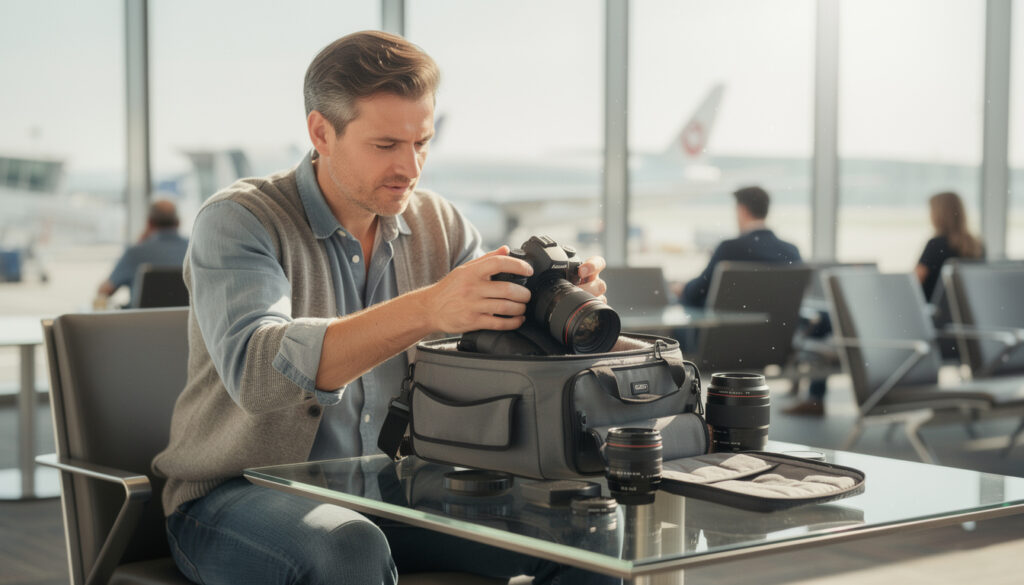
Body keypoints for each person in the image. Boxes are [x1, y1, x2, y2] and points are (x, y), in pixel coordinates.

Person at [152, 31, 612, 585]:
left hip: (396, 488)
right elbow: (257, 372)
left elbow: (487, 355)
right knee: (346, 546)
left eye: (422, 143)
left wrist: (549, 313)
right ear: (321, 132)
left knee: (585, 530)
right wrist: (430, 308)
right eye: (386, 145)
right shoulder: (240, 219)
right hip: (239, 493)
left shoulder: (439, 223)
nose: (411, 167)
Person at [680, 186, 801, 308]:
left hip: (729, 325)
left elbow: (696, 292)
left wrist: (683, 288)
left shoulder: (729, 249)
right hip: (778, 326)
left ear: (742, 210)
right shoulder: (791, 251)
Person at [94, 198, 189, 308]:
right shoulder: (194, 250)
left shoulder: (135, 253)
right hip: (184, 323)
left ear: (149, 222)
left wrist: (140, 241)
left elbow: (104, 291)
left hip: (142, 323)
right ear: (178, 222)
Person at [915, 191, 984, 301]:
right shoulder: (978, 245)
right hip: (967, 310)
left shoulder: (935, 244)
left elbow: (915, 280)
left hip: (934, 311)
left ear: (939, 214)